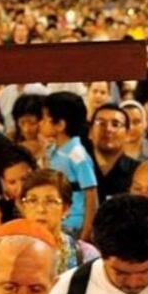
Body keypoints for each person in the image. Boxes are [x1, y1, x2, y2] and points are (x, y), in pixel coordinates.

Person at [18, 168, 99, 274]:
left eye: (50, 201)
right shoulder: (7, 252)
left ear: (66, 209)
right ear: (23, 207)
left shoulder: (86, 256)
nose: (41, 209)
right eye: (32, 201)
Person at [41, 91, 98, 240]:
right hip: (57, 218)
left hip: (73, 224)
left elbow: (91, 195)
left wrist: (86, 233)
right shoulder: (53, 150)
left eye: (45, 119)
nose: (41, 123)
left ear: (60, 125)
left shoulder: (77, 155)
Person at [90, 104, 140, 202]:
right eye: (101, 123)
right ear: (90, 133)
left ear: (127, 134)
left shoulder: (138, 173)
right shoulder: (76, 169)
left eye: (115, 124)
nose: (108, 129)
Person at [0, 145, 36, 237]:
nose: (20, 187)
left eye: (25, 179)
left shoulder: (48, 200)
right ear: (3, 183)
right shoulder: (1, 212)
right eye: (12, 182)